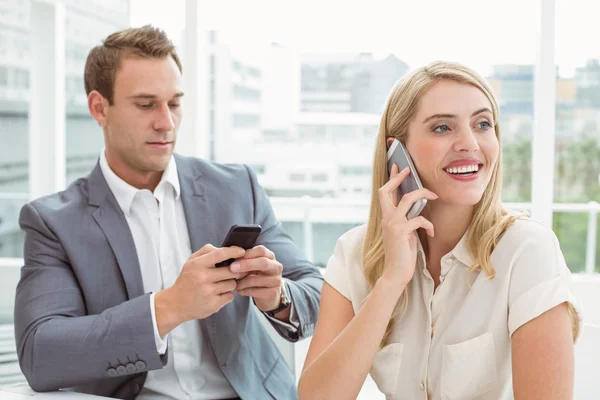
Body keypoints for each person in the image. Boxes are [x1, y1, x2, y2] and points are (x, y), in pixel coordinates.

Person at [14, 25, 323, 400]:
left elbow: (316, 292)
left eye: (174, 103)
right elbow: (41, 354)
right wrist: (167, 307)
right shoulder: (54, 223)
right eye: (145, 105)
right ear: (99, 108)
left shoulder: (236, 187)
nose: (167, 122)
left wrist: (278, 295)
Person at [297, 61, 582, 400]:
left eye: (482, 124)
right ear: (396, 152)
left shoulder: (527, 250)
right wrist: (390, 282)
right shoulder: (354, 253)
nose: (469, 143)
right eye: (443, 128)